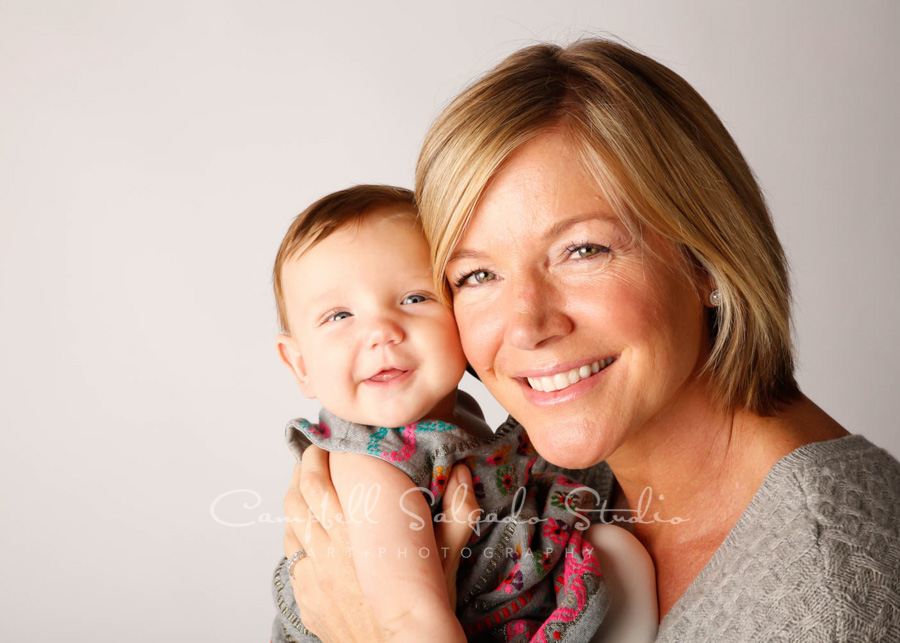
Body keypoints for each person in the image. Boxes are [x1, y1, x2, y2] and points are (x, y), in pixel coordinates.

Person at [279, 39, 900, 642]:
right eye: (476, 275)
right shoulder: (541, 474)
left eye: (583, 250)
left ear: (708, 261)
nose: (526, 324)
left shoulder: (828, 600)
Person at [269, 185, 658, 642]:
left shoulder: (458, 415)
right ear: (299, 365)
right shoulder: (369, 465)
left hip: (510, 592)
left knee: (616, 553)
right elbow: (407, 619)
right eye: (339, 316)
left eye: (414, 298)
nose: (381, 332)